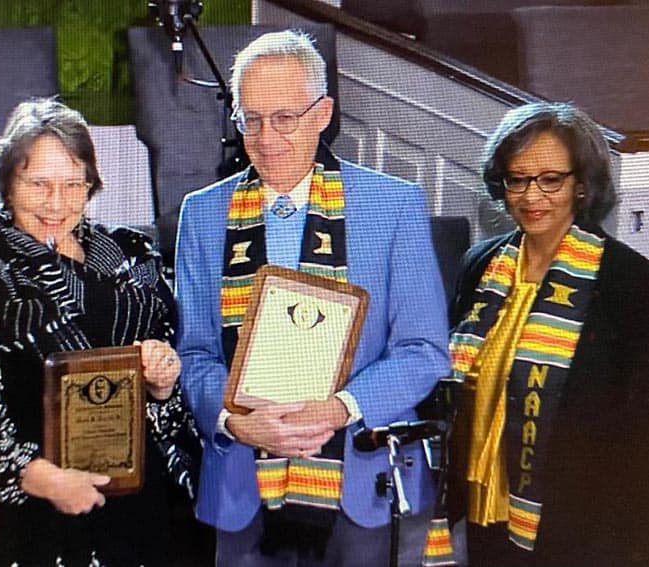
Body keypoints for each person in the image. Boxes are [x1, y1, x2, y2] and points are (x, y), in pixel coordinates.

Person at [174, 30, 449, 566]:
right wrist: (234, 420)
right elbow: (193, 354)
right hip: (240, 486)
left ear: (322, 114)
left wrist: (340, 408)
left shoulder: (393, 206)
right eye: (250, 119)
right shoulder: (202, 214)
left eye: (284, 118)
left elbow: (424, 351)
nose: (266, 137)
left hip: (362, 480)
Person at [0, 98, 198, 567]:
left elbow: (171, 371)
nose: (56, 204)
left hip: (131, 497)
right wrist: (36, 475)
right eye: (38, 184)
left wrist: (161, 383)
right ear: (7, 183)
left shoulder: (131, 253)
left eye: (73, 185)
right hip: (31, 506)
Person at [443, 102, 649, 566]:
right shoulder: (480, 265)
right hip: (483, 512)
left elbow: (638, 436)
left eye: (550, 179)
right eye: (517, 178)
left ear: (581, 184)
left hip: (582, 525)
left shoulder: (629, 282)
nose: (531, 195)